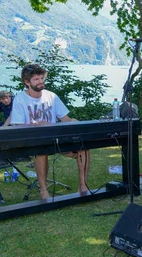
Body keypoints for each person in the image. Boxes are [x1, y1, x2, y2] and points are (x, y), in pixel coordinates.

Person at [9, 64, 90, 199]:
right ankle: (44, 191)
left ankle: (83, 186)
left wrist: (73, 122)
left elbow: (65, 119)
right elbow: (17, 127)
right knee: (41, 153)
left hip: (55, 139)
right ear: (26, 82)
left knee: (84, 147)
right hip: (34, 142)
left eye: (42, 78)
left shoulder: (51, 96)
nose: (41, 81)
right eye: (36, 79)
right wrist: (36, 125)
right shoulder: (20, 99)